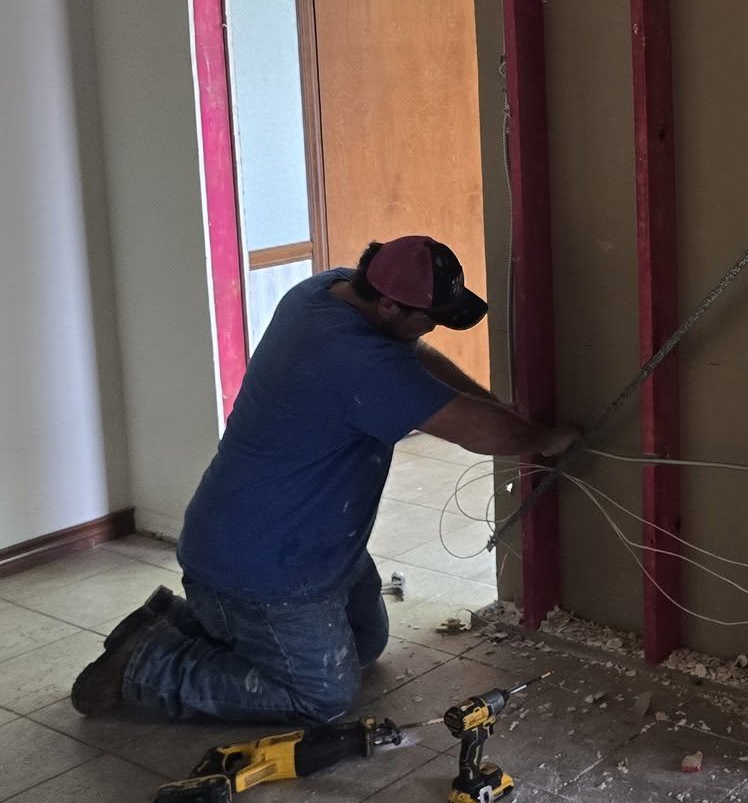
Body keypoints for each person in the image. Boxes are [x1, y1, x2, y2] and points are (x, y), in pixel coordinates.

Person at [71, 235, 575, 724]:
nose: (436, 330)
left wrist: (502, 409)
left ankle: (174, 621)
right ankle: (147, 667)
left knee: (366, 643)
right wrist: (545, 440)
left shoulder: (326, 290)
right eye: (430, 319)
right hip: (263, 567)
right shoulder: (356, 361)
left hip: (307, 544)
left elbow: (416, 359)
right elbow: (477, 430)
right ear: (390, 309)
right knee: (322, 696)